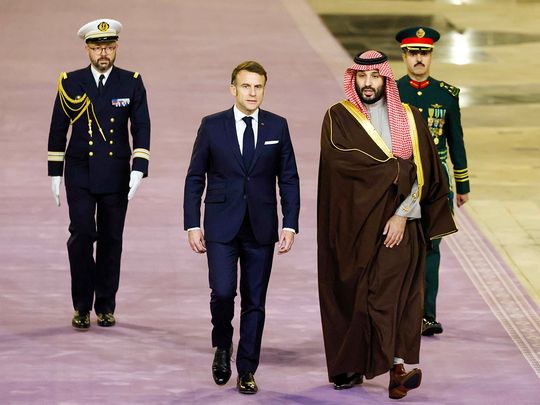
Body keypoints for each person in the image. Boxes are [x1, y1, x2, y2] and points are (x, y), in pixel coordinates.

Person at [317, 50, 456, 400]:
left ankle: (396, 369)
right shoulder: (338, 118)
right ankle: (352, 365)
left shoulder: (409, 118)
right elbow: (343, 167)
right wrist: (396, 168)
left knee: (397, 296)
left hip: (402, 225)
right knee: (358, 296)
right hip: (357, 230)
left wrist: (402, 213)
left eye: (374, 77)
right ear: (354, 80)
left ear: (384, 79)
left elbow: (425, 172)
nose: (367, 84)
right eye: (361, 78)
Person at [183, 61, 300, 394]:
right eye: (246, 86)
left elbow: (288, 178)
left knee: (255, 301)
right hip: (220, 224)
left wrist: (290, 223)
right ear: (232, 88)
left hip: (262, 228)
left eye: (258, 86)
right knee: (222, 292)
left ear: (264, 89)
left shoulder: (277, 127)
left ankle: (247, 369)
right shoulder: (211, 126)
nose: (252, 93)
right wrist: (192, 222)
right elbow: (195, 176)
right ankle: (222, 344)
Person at [47, 19, 151, 330]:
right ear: (87, 49)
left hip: (116, 173)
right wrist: (55, 173)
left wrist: (139, 167)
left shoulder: (131, 82)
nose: (103, 52)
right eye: (96, 47)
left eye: (108, 46)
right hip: (79, 171)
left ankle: (105, 304)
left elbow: (141, 127)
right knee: (81, 235)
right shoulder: (71, 82)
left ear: (116, 47)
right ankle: (81, 304)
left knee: (111, 239)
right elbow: (58, 129)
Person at [395, 26, 470, 336]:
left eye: (424, 53)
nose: (419, 59)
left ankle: (427, 315)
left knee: (431, 248)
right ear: (404, 56)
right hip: (402, 180)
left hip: (437, 183)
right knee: (398, 247)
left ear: (431, 56)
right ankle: (400, 311)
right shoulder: (394, 93)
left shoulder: (446, 95)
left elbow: (456, 140)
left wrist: (463, 185)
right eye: (413, 53)